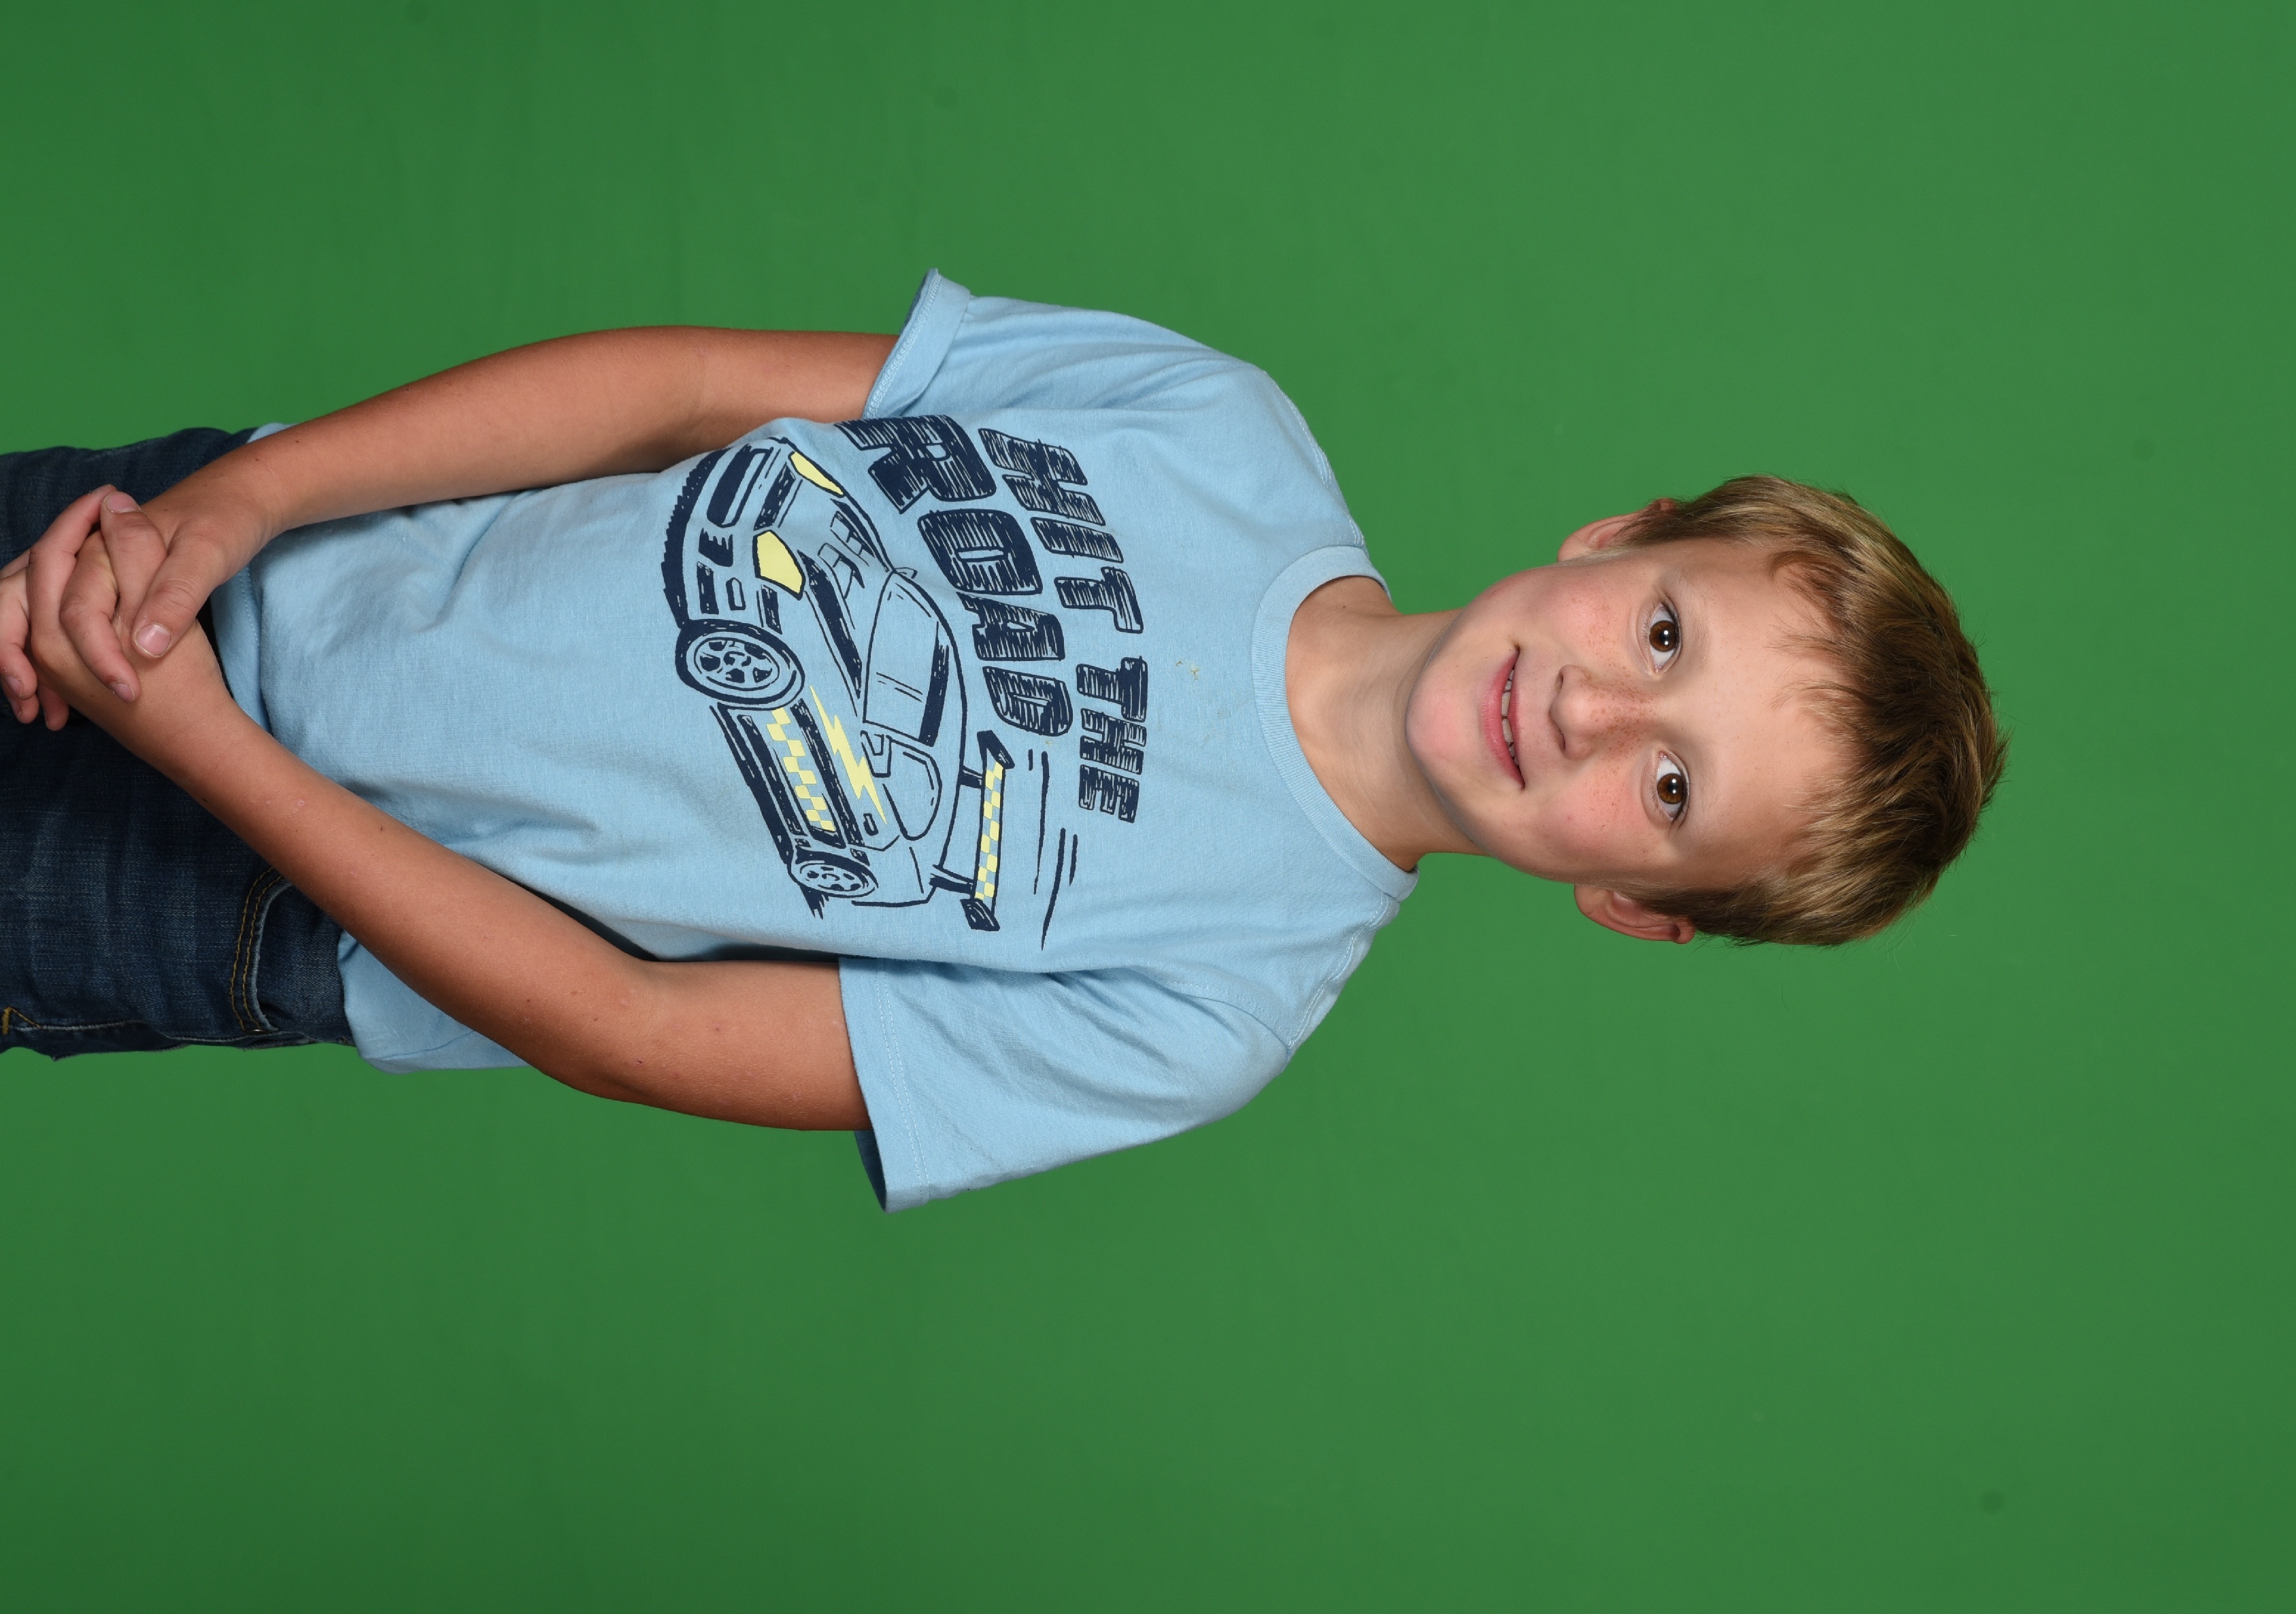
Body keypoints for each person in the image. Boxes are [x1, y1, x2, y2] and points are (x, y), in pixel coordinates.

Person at [0, 272, 2005, 1210]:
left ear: (1634, 905)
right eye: (1663, 634)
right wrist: (245, 503)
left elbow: (633, 1024)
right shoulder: (1220, 424)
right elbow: (679, 389)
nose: (1594, 709)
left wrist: (206, 755)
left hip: (227, 881)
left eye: (1671, 786)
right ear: (1621, 538)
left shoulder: (1219, 1006)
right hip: (241, 532)